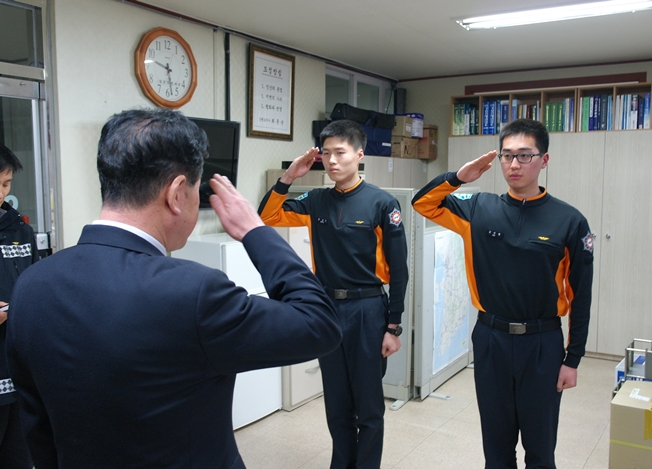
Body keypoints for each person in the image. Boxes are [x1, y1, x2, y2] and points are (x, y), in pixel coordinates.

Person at [5, 108, 342, 469]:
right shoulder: (193, 292)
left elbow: (37, 428)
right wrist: (256, 232)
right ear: (177, 193)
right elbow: (319, 324)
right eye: (198, 190)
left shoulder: (31, 286)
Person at [412, 118, 594, 469]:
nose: (514, 164)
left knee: (540, 449)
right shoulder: (477, 208)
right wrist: (457, 178)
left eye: (525, 155)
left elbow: (580, 295)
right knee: (496, 448)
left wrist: (573, 359)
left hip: (541, 343)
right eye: (507, 156)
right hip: (491, 338)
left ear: (544, 160)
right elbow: (423, 203)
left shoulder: (569, 220)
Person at [258, 119, 409, 469]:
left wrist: (393, 326)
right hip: (327, 308)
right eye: (325, 154)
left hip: (368, 309)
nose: (332, 161)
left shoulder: (382, 204)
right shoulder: (316, 200)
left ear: (359, 154)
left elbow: (400, 271)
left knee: (368, 406)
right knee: (337, 404)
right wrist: (289, 177)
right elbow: (267, 216)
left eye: (340, 152)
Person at [0, 144, 38, 469]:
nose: (1, 193)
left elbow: (34, 286)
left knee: (20, 458)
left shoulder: (21, 231)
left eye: (6, 183)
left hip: (17, 373)